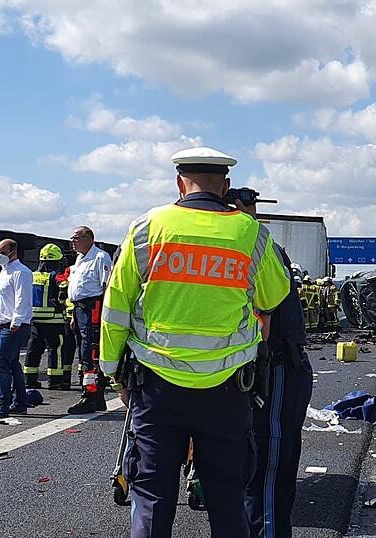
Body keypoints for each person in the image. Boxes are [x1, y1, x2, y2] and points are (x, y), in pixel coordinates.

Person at [100, 146, 290, 538]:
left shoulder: (148, 227)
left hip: (155, 385)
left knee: (152, 494)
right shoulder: (250, 233)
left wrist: (110, 370)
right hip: (228, 388)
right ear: (226, 186)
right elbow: (273, 298)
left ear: (179, 182)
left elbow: (115, 307)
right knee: (226, 494)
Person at [238, 199, 313, 538]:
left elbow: (265, 315)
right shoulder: (256, 247)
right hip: (261, 367)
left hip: (274, 366)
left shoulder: (260, 248)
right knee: (258, 466)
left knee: (267, 466)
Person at [66, 226, 113, 414]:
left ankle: (90, 396)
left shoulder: (100, 257)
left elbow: (107, 287)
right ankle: (96, 397)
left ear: (88, 238)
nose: (73, 241)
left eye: (76, 237)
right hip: (80, 309)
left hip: (93, 308)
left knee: (91, 353)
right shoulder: (80, 259)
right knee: (85, 351)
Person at [0, 239, 33, 418]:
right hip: (2, 325)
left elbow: (22, 299)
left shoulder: (21, 272)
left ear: (12, 252)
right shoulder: (5, 272)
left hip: (12, 327)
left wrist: (16, 322)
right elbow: (1, 300)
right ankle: (20, 402)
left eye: (2, 251)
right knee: (12, 364)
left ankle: (2, 404)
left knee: (1, 365)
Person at [24, 243, 70, 389]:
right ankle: (55, 381)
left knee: (33, 348)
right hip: (54, 319)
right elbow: (63, 294)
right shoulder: (57, 276)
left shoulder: (32, 275)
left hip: (35, 319)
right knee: (55, 350)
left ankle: (30, 379)